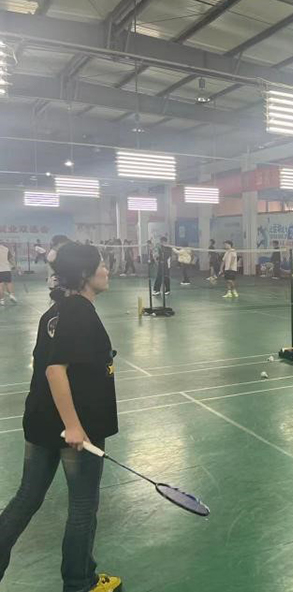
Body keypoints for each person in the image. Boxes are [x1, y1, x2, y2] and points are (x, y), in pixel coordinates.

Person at [0, 242, 121, 592]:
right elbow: (55, 371)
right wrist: (74, 426)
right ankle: (80, 583)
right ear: (85, 274)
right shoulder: (80, 312)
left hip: (41, 421)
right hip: (74, 427)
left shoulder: (53, 312)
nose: (107, 271)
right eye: (102, 265)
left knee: (26, 498)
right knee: (83, 506)